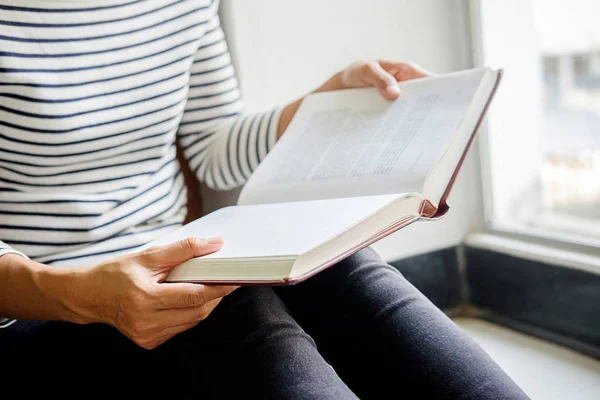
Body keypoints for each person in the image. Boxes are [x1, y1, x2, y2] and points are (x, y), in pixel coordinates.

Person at [0, 1, 528, 398]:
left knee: (341, 271)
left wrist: (321, 106)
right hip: (39, 299)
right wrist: (75, 292)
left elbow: (211, 148)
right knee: (238, 313)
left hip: (167, 257)